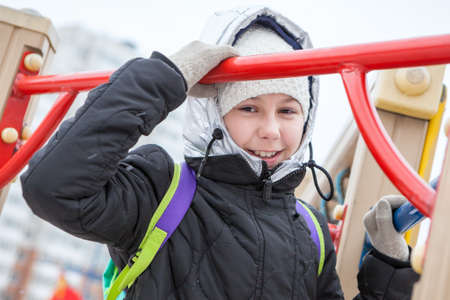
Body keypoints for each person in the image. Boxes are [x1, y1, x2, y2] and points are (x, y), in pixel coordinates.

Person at [20, 6, 418, 300]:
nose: (271, 130)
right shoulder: (163, 191)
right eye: (248, 108)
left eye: (288, 110)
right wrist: (165, 78)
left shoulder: (309, 229)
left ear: (307, 117)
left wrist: (388, 266)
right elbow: (52, 188)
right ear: (213, 113)